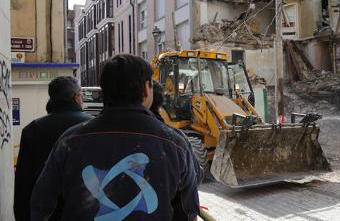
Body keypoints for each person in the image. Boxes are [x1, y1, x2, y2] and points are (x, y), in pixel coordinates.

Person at [31, 54, 203, 220]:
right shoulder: (175, 144)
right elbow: (188, 211)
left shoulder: (69, 141)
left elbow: (42, 206)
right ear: (146, 89)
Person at [14, 76, 92, 221]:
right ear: (76, 97)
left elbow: (23, 183)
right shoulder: (93, 127)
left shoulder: (32, 129)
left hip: (45, 213)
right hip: (84, 209)